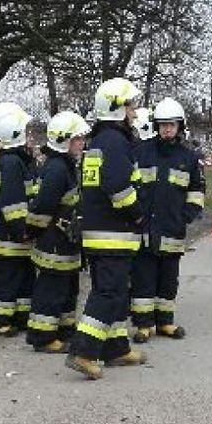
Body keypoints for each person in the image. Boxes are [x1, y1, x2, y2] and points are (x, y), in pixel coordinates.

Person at [66, 77, 147, 380]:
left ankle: (115, 348)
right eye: (130, 106)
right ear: (117, 108)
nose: (134, 112)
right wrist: (138, 215)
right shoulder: (114, 141)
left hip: (103, 232)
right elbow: (118, 187)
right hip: (113, 233)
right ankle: (83, 352)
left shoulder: (101, 140)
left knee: (116, 291)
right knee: (108, 292)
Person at [129, 97, 205, 342]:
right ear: (156, 126)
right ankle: (143, 325)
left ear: (180, 126)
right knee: (143, 280)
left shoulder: (189, 158)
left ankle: (165, 323)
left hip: (173, 230)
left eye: (171, 125)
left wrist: (185, 216)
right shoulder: (140, 152)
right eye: (163, 125)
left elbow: (197, 190)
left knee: (168, 281)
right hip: (144, 229)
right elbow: (129, 186)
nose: (167, 129)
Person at [25, 111, 89, 353]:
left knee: (68, 288)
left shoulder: (67, 165)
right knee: (51, 290)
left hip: (66, 240)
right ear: (63, 140)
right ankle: (42, 336)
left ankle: (64, 330)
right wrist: (32, 231)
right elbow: (42, 207)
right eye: (77, 139)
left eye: (82, 138)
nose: (82, 143)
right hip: (54, 241)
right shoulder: (57, 169)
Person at [0, 102, 37, 336]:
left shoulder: (14, 159)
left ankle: (20, 316)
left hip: (12, 233)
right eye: (26, 131)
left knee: (22, 276)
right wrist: (22, 230)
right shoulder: (12, 162)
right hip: (10, 234)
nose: (30, 136)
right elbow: (13, 203)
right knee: (6, 278)